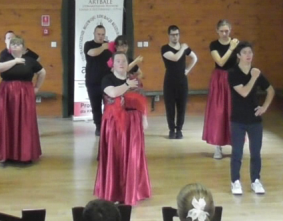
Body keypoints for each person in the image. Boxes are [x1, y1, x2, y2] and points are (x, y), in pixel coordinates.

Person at [94, 52, 151, 205]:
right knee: (116, 157)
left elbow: (142, 101)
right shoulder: (107, 79)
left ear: (127, 64)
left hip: (133, 124)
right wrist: (127, 85)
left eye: (124, 61)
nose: (121, 63)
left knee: (133, 157)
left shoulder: (135, 80)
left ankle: (133, 191)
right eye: (118, 61)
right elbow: (112, 92)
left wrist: (144, 118)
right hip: (114, 124)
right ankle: (114, 192)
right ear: (112, 64)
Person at [228, 42, 275, 196]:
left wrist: (264, 107)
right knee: (237, 153)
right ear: (238, 55)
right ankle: (235, 181)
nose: (248, 55)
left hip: (254, 119)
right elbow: (244, 92)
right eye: (245, 52)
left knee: (255, 153)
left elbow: (270, 90)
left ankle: (255, 180)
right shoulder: (233, 73)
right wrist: (254, 77)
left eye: (250, 52)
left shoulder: (256, 72)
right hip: (238, 119)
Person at [0, 36, 46, 163]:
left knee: (25, 122)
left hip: (25, 93)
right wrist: (15, 61)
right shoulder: (5, 57)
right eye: (13, 44)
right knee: (7, 121)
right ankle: (7, 154)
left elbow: (42, 72)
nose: (15, 46)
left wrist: (37, 87)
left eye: (18, 44)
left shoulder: (30, 60)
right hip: (7, 93)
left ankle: (25, 154)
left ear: (23, 47)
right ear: (10, 47)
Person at [203, 20, 239, 159]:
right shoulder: (214, 45)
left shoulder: (236, 43)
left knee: (233, 111)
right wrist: (231, 48)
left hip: (233, 78)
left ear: (230, 30)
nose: (225, 33)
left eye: (227, 31)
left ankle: (236, 146)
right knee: (218, 112)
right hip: (219, 79)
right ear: (217, 31)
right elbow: (221, 62)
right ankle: (218, 146)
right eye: (222, 31)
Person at [161, 25, 198, 139]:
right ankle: (172, 130)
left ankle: (179, 130)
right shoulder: (165, 48)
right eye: (173, 35)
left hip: (182, 81)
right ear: (169, 35)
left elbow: (195, 58)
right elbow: (175, 57)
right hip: (169, 82)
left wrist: (187, 70)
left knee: (182, 107)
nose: (175, 37)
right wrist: (183, 48)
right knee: (170, 107)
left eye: (177, 34)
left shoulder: (184, 48)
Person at [84, 25, 113, 136]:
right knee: (95, 106)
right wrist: (103, 47)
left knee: (108, 105)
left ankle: (107, 126)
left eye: (103, 34)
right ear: (94, 34)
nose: (101, 36)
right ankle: (99, 127)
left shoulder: (109, 47)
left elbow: (114, 60)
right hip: (92, 82)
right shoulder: (88, 44)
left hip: (107, 82)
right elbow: (92, 53)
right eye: (98, 34)